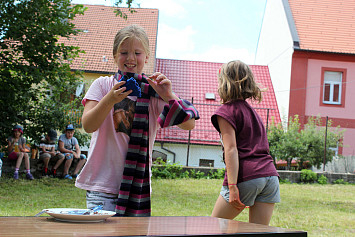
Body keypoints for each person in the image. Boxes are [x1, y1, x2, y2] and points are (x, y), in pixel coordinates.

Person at [75, 24, 199, 216]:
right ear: (115, 55)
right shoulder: (102, 85)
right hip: (101, 186)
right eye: (124, 52)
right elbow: (88, 125)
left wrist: (168, 95)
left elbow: (188, 124)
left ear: (147, 57)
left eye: (137, 53)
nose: (131, 58)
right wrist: (110, 99)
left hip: (137, 187)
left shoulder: (153, 92)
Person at [210, 60, 280, 225]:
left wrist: (233, 186)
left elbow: (231, 149)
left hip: (247, 177)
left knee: (212, 227)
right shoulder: (253, 113)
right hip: (270, 177)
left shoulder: (225, 111)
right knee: (258, 232)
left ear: (224, 82)